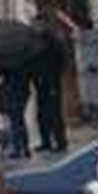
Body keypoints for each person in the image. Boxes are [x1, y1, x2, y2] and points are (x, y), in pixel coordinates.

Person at [31, 19, 70, 153]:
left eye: (36, 24)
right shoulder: (34, 43)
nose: (34, 27)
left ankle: (60, 142)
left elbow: (61, 61)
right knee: (42, 114)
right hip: (40, 84)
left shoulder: (52, 43)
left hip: (51, 83)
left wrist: (54, 78)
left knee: (54, 114)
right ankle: (46, 141)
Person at [0, 66, 31, 159]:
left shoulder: (7, 58)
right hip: (22, 89)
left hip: (12, 90)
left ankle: (18, 148)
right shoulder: (23, 57)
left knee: (15, 119)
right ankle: (24, 147)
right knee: (19, 118)